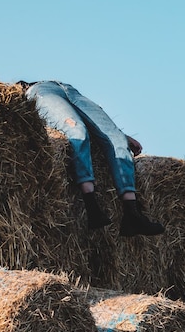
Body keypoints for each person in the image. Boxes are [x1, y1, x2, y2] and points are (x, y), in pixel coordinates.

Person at [17, 80, 164, 237]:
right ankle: (91, 204)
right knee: (77, 130)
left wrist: (124, 136)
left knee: (117, 138)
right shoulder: (23, 89)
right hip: (41, 89)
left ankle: (132, 213)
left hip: (70, 89)